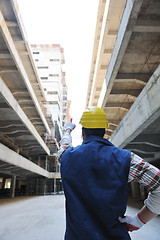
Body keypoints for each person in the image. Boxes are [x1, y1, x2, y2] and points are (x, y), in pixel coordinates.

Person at [58, 106, 160, 240]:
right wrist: (139, 220)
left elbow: (63, 146)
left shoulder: (66, 157)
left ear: (83, 132)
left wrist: (68, 129)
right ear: (104, 131)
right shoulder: (127, 159)